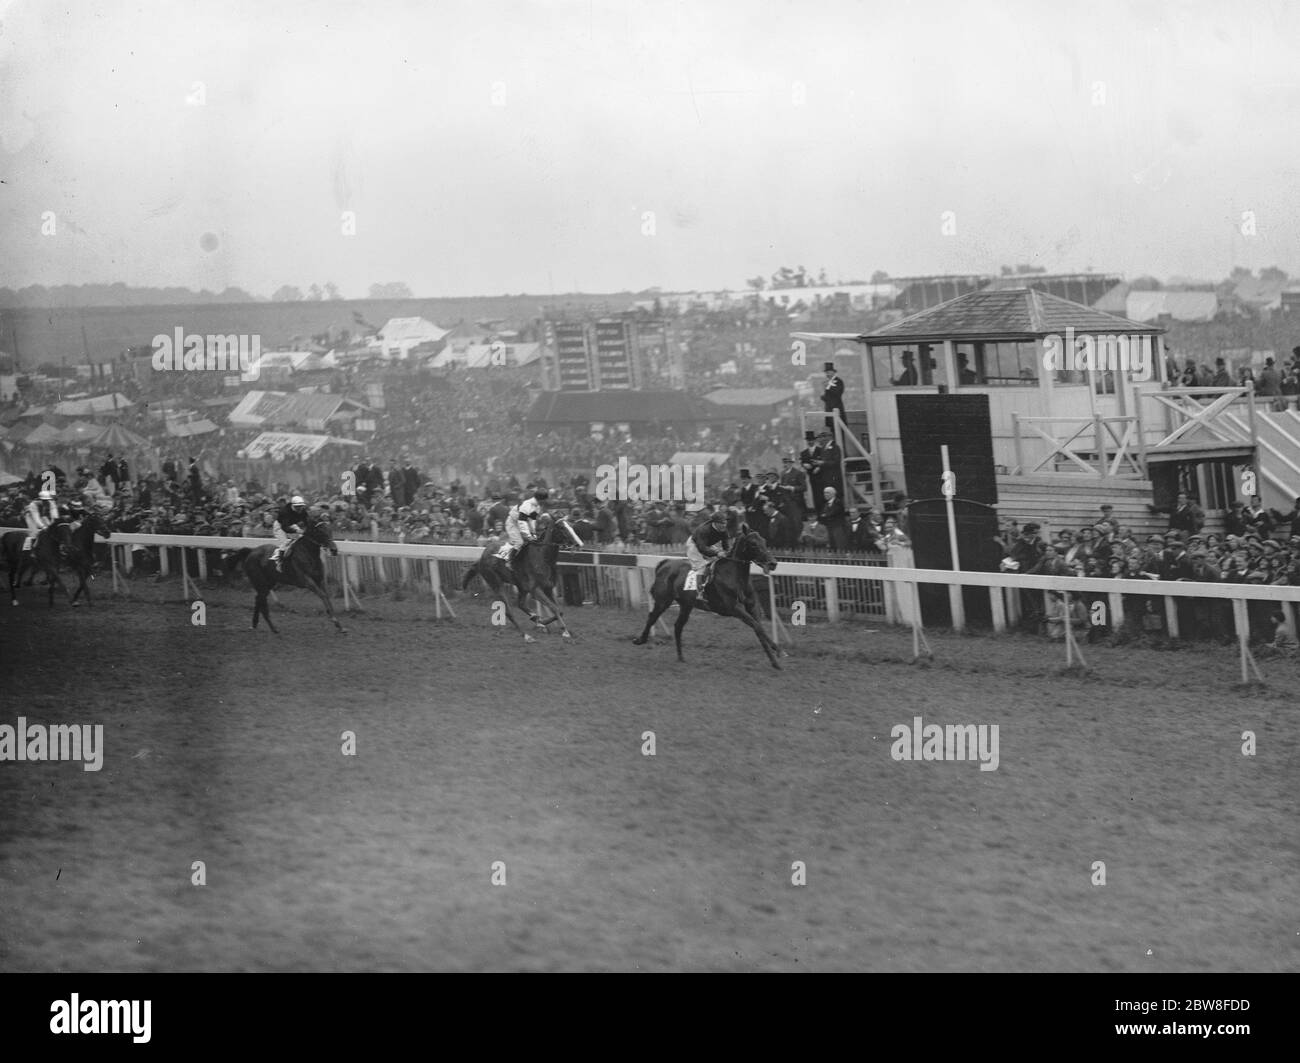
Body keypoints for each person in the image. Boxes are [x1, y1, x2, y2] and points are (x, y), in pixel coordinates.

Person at [497, 487, 549, 562]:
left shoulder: (537, 506)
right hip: (513, 523)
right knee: (519, 543)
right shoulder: (527, 505)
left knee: (532, 541)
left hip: (521, 523)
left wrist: (533, 533)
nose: (545, 501)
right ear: (540, 499)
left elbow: (532, 520)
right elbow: (522, 522)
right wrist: (528, 535)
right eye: (544, 500)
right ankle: (508, 561)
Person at [685, 508, 730, 591]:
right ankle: (699, 591)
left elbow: (726, 546)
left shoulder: (724, 531)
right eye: (721, 523)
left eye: (725, 522)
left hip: (707, 544)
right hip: (694, 544)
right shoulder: (704, 530)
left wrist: (726, 552)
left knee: (720, 561)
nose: (724, 525)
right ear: (715, 523)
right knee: (701, 566)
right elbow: (702, 548)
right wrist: (717, 553)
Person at [271, 495, 311, 572]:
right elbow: (285, 528)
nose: (299, 509)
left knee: (301, 541)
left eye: (301, 506)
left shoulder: (303, 510)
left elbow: (307, 522)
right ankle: (280, 563)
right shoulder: (285, 512)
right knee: (285, 543)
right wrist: (297, 531)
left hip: (293, 525)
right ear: (293, 505)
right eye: (297, 507)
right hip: (280, 526)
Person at [23, 489, 62, 554]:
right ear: (40, 499)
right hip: (30, 517)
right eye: (44, 500)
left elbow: (55, 516)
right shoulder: (33, 504)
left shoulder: (51, 503)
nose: (46, 502)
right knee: (34, 533)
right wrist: (43, 527)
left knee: (52, 530)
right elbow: (36, 519)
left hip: (42, 516)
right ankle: (30, 550)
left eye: (47, 500)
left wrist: (53, 525)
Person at [821, 361, 846, 427]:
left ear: (833, 372)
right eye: (826, 373)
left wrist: (828, 387)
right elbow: (828, 397)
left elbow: (838, 393)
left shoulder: (838, 381)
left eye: (828, 372)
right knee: (832, 430)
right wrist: (823, 397)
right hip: (829, 410)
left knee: (839, 430)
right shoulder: (828, 382)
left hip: (836, 409)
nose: (827, 374)